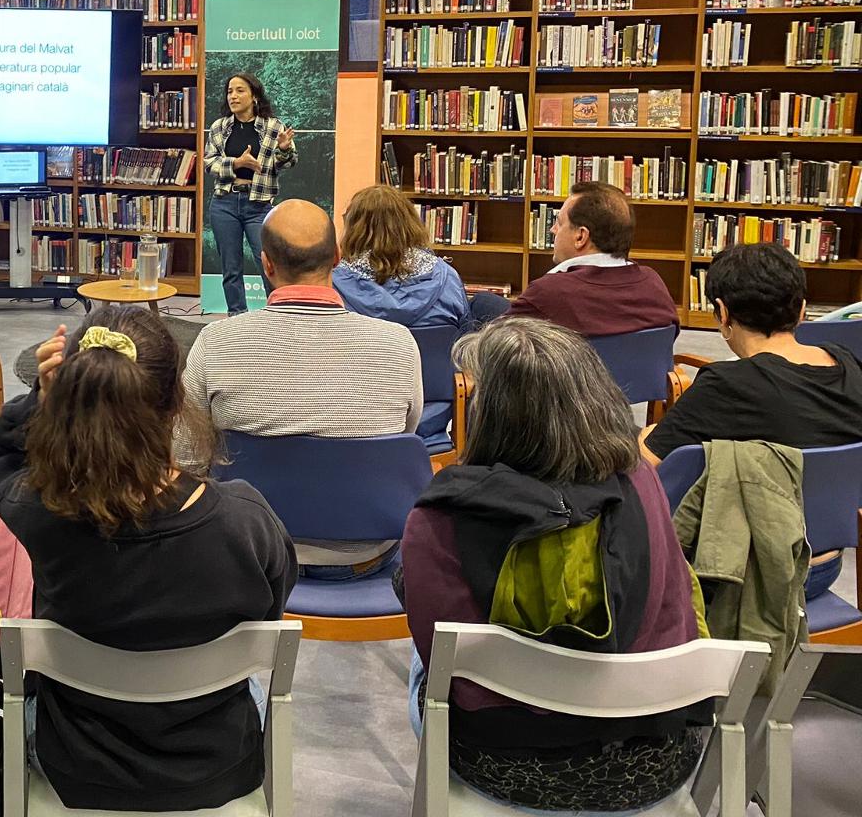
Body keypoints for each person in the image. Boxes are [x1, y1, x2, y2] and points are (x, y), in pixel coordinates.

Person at [0, 306, 295, 813]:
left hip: (76, 769)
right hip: (215, 768)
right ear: (175, 403)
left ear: (70, 403)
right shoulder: (244, 520)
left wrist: (40, 399)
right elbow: (271, 607)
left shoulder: (40, 512)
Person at [400, 318, 710, 814]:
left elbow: (437, 654)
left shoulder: (441, 517)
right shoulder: (642, 482)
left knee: (424, 661)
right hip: (653, 757)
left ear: (492, 415)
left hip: (505, 762)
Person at [184, 198, 420, 577]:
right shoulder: (398, 345)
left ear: (266, 264)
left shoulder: (216, 343)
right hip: (366, 553)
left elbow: (185, 456)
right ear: (338, 256)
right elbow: (401, 436)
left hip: (248, 554)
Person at [643, 242, 862, 463]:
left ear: (723, 312)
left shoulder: (725, 385)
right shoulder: (848, 364)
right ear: (802, 311)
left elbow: (648, 465)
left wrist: (646, 438)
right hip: (842, 497)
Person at [508, 181, 678, 336]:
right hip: (639, 370)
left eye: (559, 223)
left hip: (575, 369)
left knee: (483, 304)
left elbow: (491, 347)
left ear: (580, 237)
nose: (553, 230)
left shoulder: (548, 293)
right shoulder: (654, 284)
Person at [204, 72, 297, 315]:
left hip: (258, 204)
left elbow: (287, 163)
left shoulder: (273, 126)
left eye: (240, 90)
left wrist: (285, 150)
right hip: (224, 203)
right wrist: (236, 163)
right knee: (231, 268)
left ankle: (276, 315)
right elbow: (209, 162)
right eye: (230, 91)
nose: (233, 96)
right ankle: (237, 318)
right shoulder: (219, 127)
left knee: (268, 263)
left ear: (254, 95)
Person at [332, 184, 469, 329]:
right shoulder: (447, 277)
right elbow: (464, 334)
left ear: (353, 228)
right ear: (410, 223)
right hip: (433, 351)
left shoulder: (334, 283)